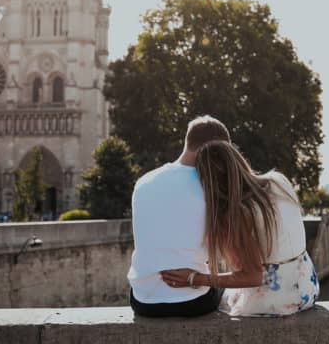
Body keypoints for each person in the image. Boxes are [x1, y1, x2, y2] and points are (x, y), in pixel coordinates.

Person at [161, 141, 319, 317]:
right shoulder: (279, 181)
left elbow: (251, 277)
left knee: (209, 300)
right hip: (307, 288)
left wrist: (194, 278)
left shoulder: (241, 213)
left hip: (276, 301)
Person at [126, 116, 231, 317]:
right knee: (232, 289)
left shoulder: (144, 181)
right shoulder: (209, 187)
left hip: (143, 301)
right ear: (215, 150)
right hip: (192, 302)